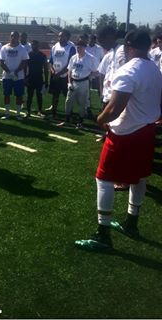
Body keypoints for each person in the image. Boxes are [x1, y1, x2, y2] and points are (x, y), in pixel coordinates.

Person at [75, 30, 162, 250]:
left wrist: (100, 119)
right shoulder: (154, 68)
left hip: (126, 132)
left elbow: (113, 110)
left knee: (103, 179)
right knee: (139, 177)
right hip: (146, 130)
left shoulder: (129, 69)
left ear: (128, 46)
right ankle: (132, 222)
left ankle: (103, 234)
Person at [58, 39, 97, 128]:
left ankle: (80, 121)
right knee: (68, 101)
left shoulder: (90, 58)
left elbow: (96, 71)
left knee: (82, 103)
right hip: (73, 82)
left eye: (80, 47)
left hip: (83, 82)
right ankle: (67, 119)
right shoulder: (73, 57)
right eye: (77, 47)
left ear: (84, 47)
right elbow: (69, 71)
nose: (78, 49)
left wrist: (89, 76)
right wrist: (69, 83)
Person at [0, 31, 29, 120]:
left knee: (19, 95)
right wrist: (9, 71)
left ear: (18, 38)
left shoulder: (22, 48)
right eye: (12, 36)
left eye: (15, 36)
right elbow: (1, 62)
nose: (13, 38)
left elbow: (24, 62)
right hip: (7, 76)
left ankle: (18, 114)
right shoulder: (4, 48)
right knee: (6, 94)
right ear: (10, 37)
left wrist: (16, 72)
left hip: (18, 76)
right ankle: (7, 113)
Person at [48, 30, 76, 120]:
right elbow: (51, 61)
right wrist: (52, 71)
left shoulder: (71, 48)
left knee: (68, 97)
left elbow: (70, 64)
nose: (60, 38)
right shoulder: (55, 46)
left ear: (67, 38)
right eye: (59, 36)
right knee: (55, 96)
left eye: (62, 36)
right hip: (55, 75)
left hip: (65, 76)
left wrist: (59, 73)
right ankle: (54, 114)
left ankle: (69, 115)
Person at [25, 40, 49, 117]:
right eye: (32, 45)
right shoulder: (28, 55)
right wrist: (25, 78)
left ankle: (40, 111)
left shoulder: (42, 56)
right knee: (29, 96)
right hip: (30, 78)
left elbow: (45, 69)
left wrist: (46, 81)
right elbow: (25, 67)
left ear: (38, 46)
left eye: (35, 45)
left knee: (39, 96)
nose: (34, 46)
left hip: (39, 78)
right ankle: (28, 111)